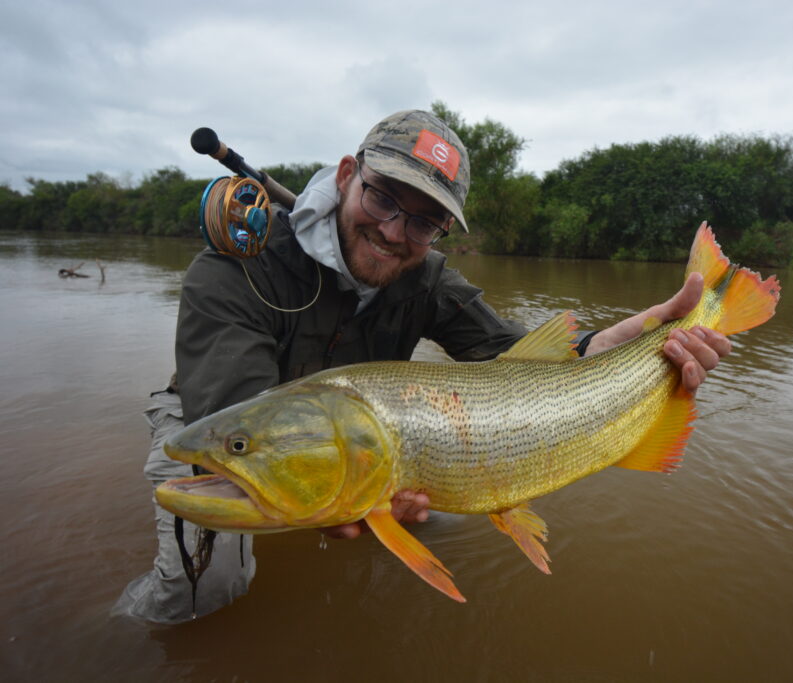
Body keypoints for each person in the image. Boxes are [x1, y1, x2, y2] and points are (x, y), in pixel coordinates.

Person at [112, 110, 731, 624]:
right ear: (349, 175)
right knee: (208, 586)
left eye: (424, 220)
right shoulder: (233, 269)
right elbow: (233, 418)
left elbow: (508, 356)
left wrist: (605, 351)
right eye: (382, 197)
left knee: (445, 526)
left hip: (372, 429)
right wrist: (335, 505)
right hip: (223, 424)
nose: (393, 231)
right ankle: (125, 628)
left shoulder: (427, 277)